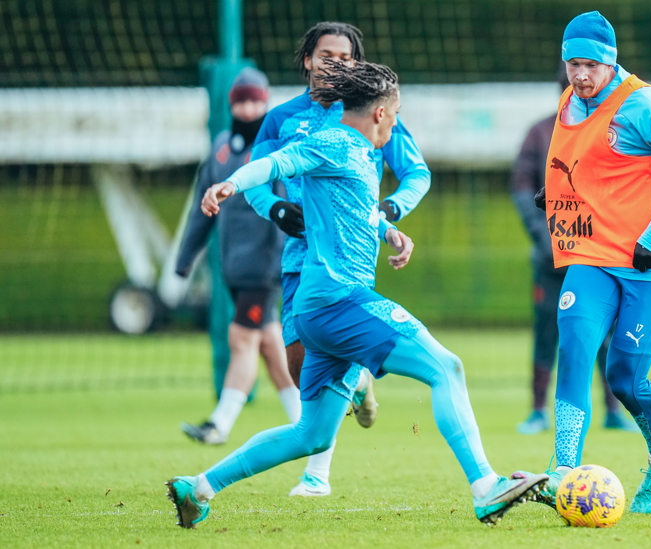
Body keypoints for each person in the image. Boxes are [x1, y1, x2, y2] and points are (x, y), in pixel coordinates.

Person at [165, 60, 548, 529]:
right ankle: (486, 486)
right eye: (397, 112)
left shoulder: (357, 152)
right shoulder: (335, 143)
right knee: (446, 368)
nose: (395, 124)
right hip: (339, 301)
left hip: (318, 309)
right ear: (382, 114)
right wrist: (228, 184)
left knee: (311, 434)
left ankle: (198, 487)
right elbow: (273, 164)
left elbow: (351, 209)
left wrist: (389, 233)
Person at [527, 11, 651, 514]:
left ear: (612, 63)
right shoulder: (570, 99)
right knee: (574, 347)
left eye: (591, 65)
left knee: (624, 381)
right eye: (572, 63)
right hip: (593, 257)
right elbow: (589, 160)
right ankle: (562, 471)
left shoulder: (645, 106)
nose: (580, 75)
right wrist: (556, 191)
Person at [241, 21, 432, 497]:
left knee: (326, 359)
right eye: (326, 55)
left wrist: (388, 213)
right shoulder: (282, 118)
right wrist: (277, 208)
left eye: (346, 58)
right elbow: (258, 177)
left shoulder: (370, 113)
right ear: (307, 60)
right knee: (295, 361)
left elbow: (417, 174)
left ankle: (316, 474)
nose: (335, 64)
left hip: (349, 255)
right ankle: (362, 381)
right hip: (300, 253)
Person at [175, 67, 300, 445]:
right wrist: (185, 257)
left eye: (255, 100)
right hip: (233, 266)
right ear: (231, 105)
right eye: (241, 101)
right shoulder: (221, 149)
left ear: (266, 102)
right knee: (269, 347)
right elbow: (203, 209)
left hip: (264, 267)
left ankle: (220, 424)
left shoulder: (275, 147)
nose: (248, 109)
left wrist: (283, 257)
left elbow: (287, 207)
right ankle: (307, 425)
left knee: (240, 339)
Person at [511, 67, 638, 435]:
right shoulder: (540, 133)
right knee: (547, 330)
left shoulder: (613, 128)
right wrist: (544, 235)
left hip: (598, 256)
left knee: (605, 332)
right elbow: (522, 187)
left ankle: (614, 410)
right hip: (550, 258)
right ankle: (537, 411)